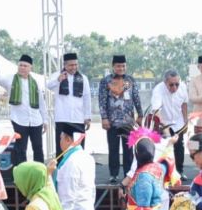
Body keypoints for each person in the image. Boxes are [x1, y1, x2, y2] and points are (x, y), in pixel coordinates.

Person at [0, 54, 49, 165]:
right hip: (19, 120)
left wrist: (45, 120)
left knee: (38, 148)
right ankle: (21, 174)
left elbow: (41, 103)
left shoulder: (36, 82)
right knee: (20, 149)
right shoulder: (10, 79)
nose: (22, 68)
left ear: (30, 68)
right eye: (20, 65)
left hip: (36, 121)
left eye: (25, 66)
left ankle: (40, 173)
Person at [99, 55, 142, 183]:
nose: (121, 68)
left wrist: (140, 115)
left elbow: (136, 98)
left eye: (123, 66)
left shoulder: (131, 80)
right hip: (112, 121)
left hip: (128, 121)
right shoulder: (106, 81)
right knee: (113, 148)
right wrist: (104, 118)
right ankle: (113, 174)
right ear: (113, 66)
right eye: (118, 66)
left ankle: (128, 174)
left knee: (128, 149)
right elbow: (102, 101)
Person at [46, 52, 93, 156]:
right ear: (65, 65)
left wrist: (87, 117)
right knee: (61, 149)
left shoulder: (83, 78)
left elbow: (87, 98)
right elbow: (48, 86)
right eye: (71, 65)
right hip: (62, 118)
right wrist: (58, 80)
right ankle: (61, 170)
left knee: (78, 148)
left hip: (78, 119)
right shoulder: (57, 75)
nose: (74, 67)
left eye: (76, 64)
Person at [150, 70, 189, 174]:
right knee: (164, 147)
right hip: (163, 122)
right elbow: (156, 111)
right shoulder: (158, 90)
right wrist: (165, 129)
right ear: (165, 82)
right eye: (171, 85)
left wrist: (186, 121)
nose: (175, 87)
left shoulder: (183, 87)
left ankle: (179, 171)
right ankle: (164, 173)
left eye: (177, 84)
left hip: (178, 122)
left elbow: (184, 104)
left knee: (179, 146)